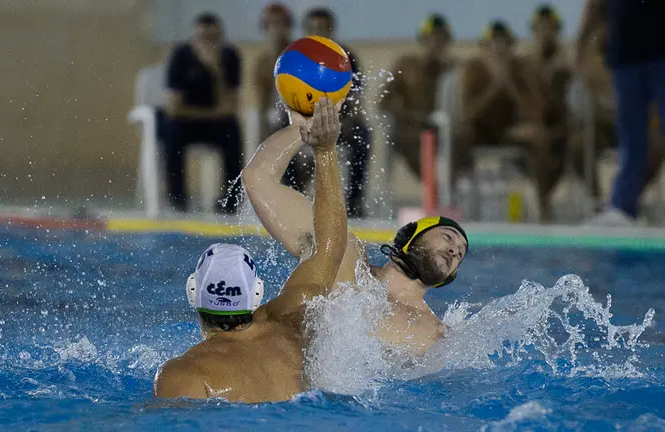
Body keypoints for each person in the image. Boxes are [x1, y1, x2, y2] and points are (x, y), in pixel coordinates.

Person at [154, 97, 349, 402]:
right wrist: (325, 152)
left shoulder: (183, 374)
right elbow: (331, 249)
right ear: (257, 293)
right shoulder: (292, 325)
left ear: (193, 291)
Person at [243, 109, 469, 357]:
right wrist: (301, 127)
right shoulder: (341, 256)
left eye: (460, 254)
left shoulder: (437, 336)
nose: (454, 250)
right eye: (448, 237)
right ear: (410, 236)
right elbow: (257, 178)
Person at [578, 0, 665, 230]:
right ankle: (622, 207)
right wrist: (581, 43)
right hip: (626, 51)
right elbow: (594, 4)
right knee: (630, 136)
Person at [454, 21, 549, 218]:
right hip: (480, 132)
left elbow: (533, 110)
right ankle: (456, 201)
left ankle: (542, 203)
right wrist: (495, 86)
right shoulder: (474, 70)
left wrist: (510, 85)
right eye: (493, 43)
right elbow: (469, 114)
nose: (498, 49)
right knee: (458, 140)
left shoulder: (520, 70)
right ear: (484, 48)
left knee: (539, 139)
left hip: (510, 132)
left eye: (504, 43)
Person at [282, 7, 370, 217]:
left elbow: (356, 101)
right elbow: (285, 101)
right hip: (302, 121)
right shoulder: (294, 58)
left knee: (362, 136)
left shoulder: (346, 58)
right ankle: (290, 198)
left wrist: (340, 125)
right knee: (281, 133)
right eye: (314, 29)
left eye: (323, 28)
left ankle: (354, 201)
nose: (319, 33)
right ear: (306, 31)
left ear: (331, 31)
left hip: (339, 123)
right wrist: (304, 125)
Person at [164, 13, 243, 214]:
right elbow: (174, 108)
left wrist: (215, 71)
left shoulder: (229, 56)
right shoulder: (181, 56)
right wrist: (211, 113)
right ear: (194, 38)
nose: (208, 43)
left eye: (213, 38)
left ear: (221, 37)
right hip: (187, 123)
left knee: (233, 130)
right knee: (171, 130)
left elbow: (231, 106)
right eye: (203, 38)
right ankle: (178, 198)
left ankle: (230, 200)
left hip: (216, 124)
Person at [379, 14, 455, 180]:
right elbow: (384, 102)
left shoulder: (453, 69)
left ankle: (449, 186)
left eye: (441, 38)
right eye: (432, 37)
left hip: (444, 129)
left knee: (460, 139)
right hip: (411, 128)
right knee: (411, 139)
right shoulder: (406, 65)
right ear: (423, 39)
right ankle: (433, 184)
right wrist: (411, 116)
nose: (436, 42)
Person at [528, 5, 572, 222]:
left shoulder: (565, 65)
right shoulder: (526, 64)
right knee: (540, 143)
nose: (546, 34)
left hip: (559, 129)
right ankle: (544, 203)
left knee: (572, 144)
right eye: (542, 29)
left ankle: (544, 199)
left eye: (550, 29)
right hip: (533, 128)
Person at [253, 3, 294, 140]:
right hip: (275, 115)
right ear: (265, 28)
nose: (277, 29)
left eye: (281, 24)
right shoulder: (262, 62)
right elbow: (261, 102)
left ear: (288, 26)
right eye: (273, 24)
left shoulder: (299, 55)